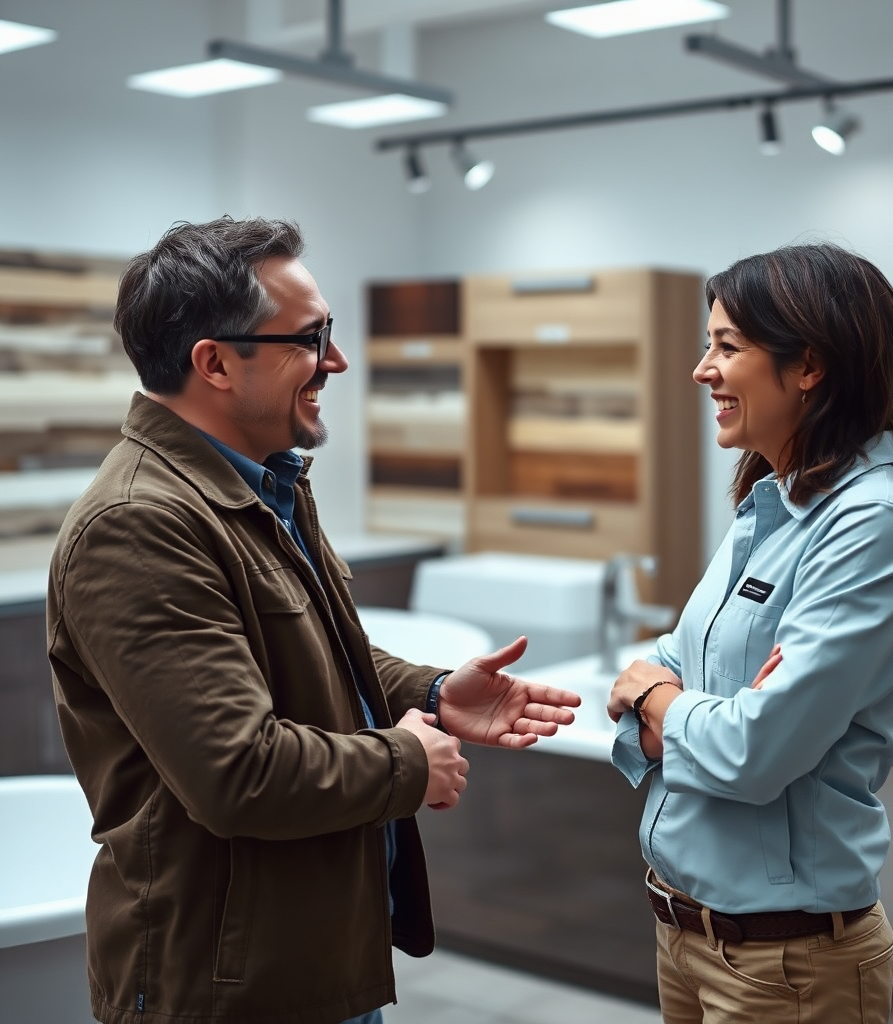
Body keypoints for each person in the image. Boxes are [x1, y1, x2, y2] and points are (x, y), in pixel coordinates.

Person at [46, 215, 580, 1024]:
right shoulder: (138, 524)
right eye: (312, 336)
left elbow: (315, 651)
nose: (336, 359)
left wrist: (434, 692)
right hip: (226, 987)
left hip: (306, 954)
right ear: (215, 362)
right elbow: (237, 773)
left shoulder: (267, 484)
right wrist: (407, 763)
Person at [606, 242, 893, 1023]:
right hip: (684, 935)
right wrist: (679, 701)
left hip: (786, 968)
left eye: (727, 346)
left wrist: (662, 707)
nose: (703, 369)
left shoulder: (872, 529)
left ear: (809, 368)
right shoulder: (772, 498)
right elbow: (674, 657)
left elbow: (755, 751)